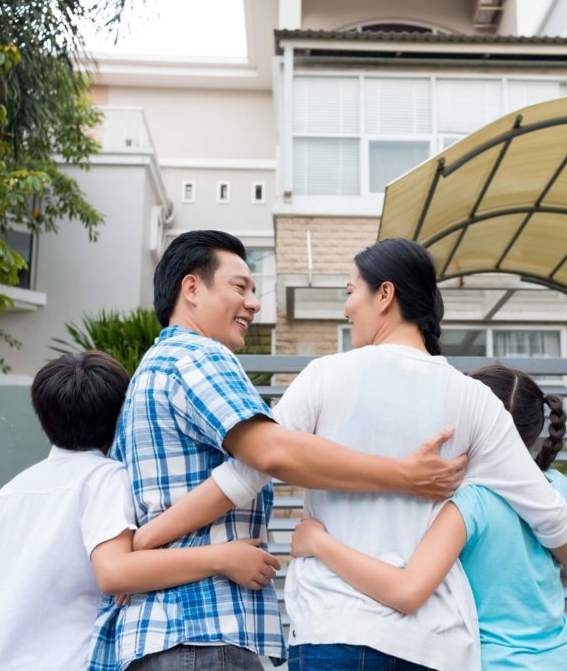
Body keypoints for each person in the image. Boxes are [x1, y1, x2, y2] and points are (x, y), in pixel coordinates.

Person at [132, 237, 567, 670]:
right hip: (431, 641)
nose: (347, 306)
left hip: (333, 626)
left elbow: (242, 476)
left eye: (352, 291)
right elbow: (550, 516)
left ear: (384, 294)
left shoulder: (325, 376)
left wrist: (146, 539)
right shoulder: (473, 399)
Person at [89, 231, 467, 671]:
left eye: (254, 290)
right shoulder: (198, 357)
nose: (253, 303)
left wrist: (146, 542)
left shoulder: (147, 373)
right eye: (240, 287)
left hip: (156, 635)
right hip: (203, 631)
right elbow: (271, 452)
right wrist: (403, 474)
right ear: (191, 289)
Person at [0, 351, 282, 670]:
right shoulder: (105, 478)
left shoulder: (11, 491)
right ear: (123, 415)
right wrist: (222, 558)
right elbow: (115, 572)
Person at [291, 365, 567, 670]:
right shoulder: (555, 486)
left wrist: (318, 543)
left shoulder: (471, 503)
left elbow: (406, 591)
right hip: (559, 659)